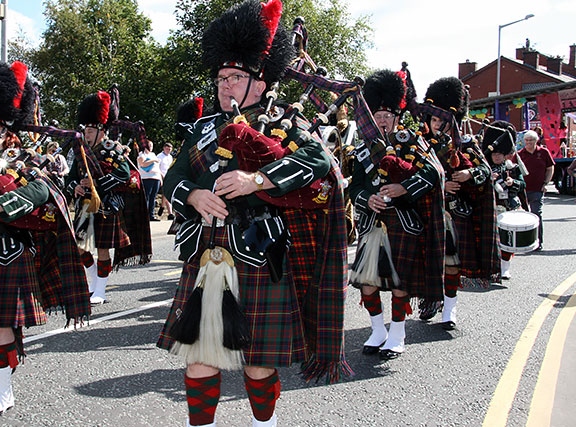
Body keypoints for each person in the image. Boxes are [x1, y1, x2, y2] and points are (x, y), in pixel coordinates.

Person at [157, 1, 349, 425]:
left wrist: (255, 181)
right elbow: (173, 177)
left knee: (258, 363)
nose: (225, 85)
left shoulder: (282, 122)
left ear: (259, 85)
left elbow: (318, 162)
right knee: (198, 359)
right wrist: (191, 196)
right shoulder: (201, 129)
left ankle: (266, 424)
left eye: (236, 78)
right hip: (205, 252)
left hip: (258, 252)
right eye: (222, 77)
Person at [0, 60, 90, 420]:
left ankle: (3, 392)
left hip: (11, 251)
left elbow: (43, 189)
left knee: (2, 324)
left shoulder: (24, 156)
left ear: (4, 126)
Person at [349, 69, 445, 357]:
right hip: (372, 222)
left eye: (387, 115)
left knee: (400, 282)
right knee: (367, 282)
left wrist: (404, 189)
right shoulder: (362, 148)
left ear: (397, 116)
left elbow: (434, 173)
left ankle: (398, 334)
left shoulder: (411, 141)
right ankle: (378, 330)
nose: (382, 120)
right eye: (377, 115)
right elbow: (354, 187)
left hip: (403, 221)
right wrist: (367, 199)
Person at [420, 77, 500, 328]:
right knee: (428, 263)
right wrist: (440, 184)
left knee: (451, 264)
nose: (437, 125)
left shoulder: (466, 144)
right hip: (425, 212)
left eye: (442, 121)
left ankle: (450, 309)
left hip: (455, 213)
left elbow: (485, 173)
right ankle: (431, 299)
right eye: (434, 120)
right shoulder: (418, 145)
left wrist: (468, 175)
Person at [66, 90, 133, 304]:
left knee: (102, 248)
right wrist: (75, 186)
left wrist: (97, 184)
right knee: (79, 247)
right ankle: (95, 278)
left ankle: (101, 291)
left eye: (91, 129)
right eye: (86, 129)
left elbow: (124, 174)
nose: (86, 133)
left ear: (101, 130)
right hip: (84, 206)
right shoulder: (80, 151)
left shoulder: (111, 150)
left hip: (105, 205)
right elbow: (71, 176)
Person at [483, 121, 525, 279]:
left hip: (509, 206)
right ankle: (492, 267)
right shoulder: (485, 168)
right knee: (491, 239)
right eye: (494, 154)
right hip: (490, 206)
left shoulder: (512, 168)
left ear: (505, 153)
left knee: (507, 239)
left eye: (500, 154)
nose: (496, 156)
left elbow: (522, 184)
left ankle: (505, 267)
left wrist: (513, 183)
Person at [517, 129, 555, 251]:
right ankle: (524, 242)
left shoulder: (543, 152)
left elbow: (550, 168)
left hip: (537, 189)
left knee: (536, 214)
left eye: (531, 140)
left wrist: (546, 183)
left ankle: (538, 242)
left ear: (536, 140)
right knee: (522, 216)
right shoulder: (519, 154)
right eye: (527, 140)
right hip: (522, 190)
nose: (529, 142)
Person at [137, 140, 162, 221]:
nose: (151, 147)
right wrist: (153, 160)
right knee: (146, 197)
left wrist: (160, 178)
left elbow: (157, 168)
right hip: (146, 178)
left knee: (153, 197)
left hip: (156, 178)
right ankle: (145, 215)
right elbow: (143, 164)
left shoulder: (153, 155)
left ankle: (151, 215)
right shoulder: (141, 155)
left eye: (152, 145)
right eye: (149, 145)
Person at [156, 142, 174, 220]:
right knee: (166, 193)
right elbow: (157, 167)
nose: (168, 150)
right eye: (167, 148)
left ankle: (164, 208)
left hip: (169, 177)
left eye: (170, 149)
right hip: (161, 176)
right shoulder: (159, 156)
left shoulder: (170, 157)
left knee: (167, 193)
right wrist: (161, 176)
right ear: (164, 148)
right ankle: (168, 212)